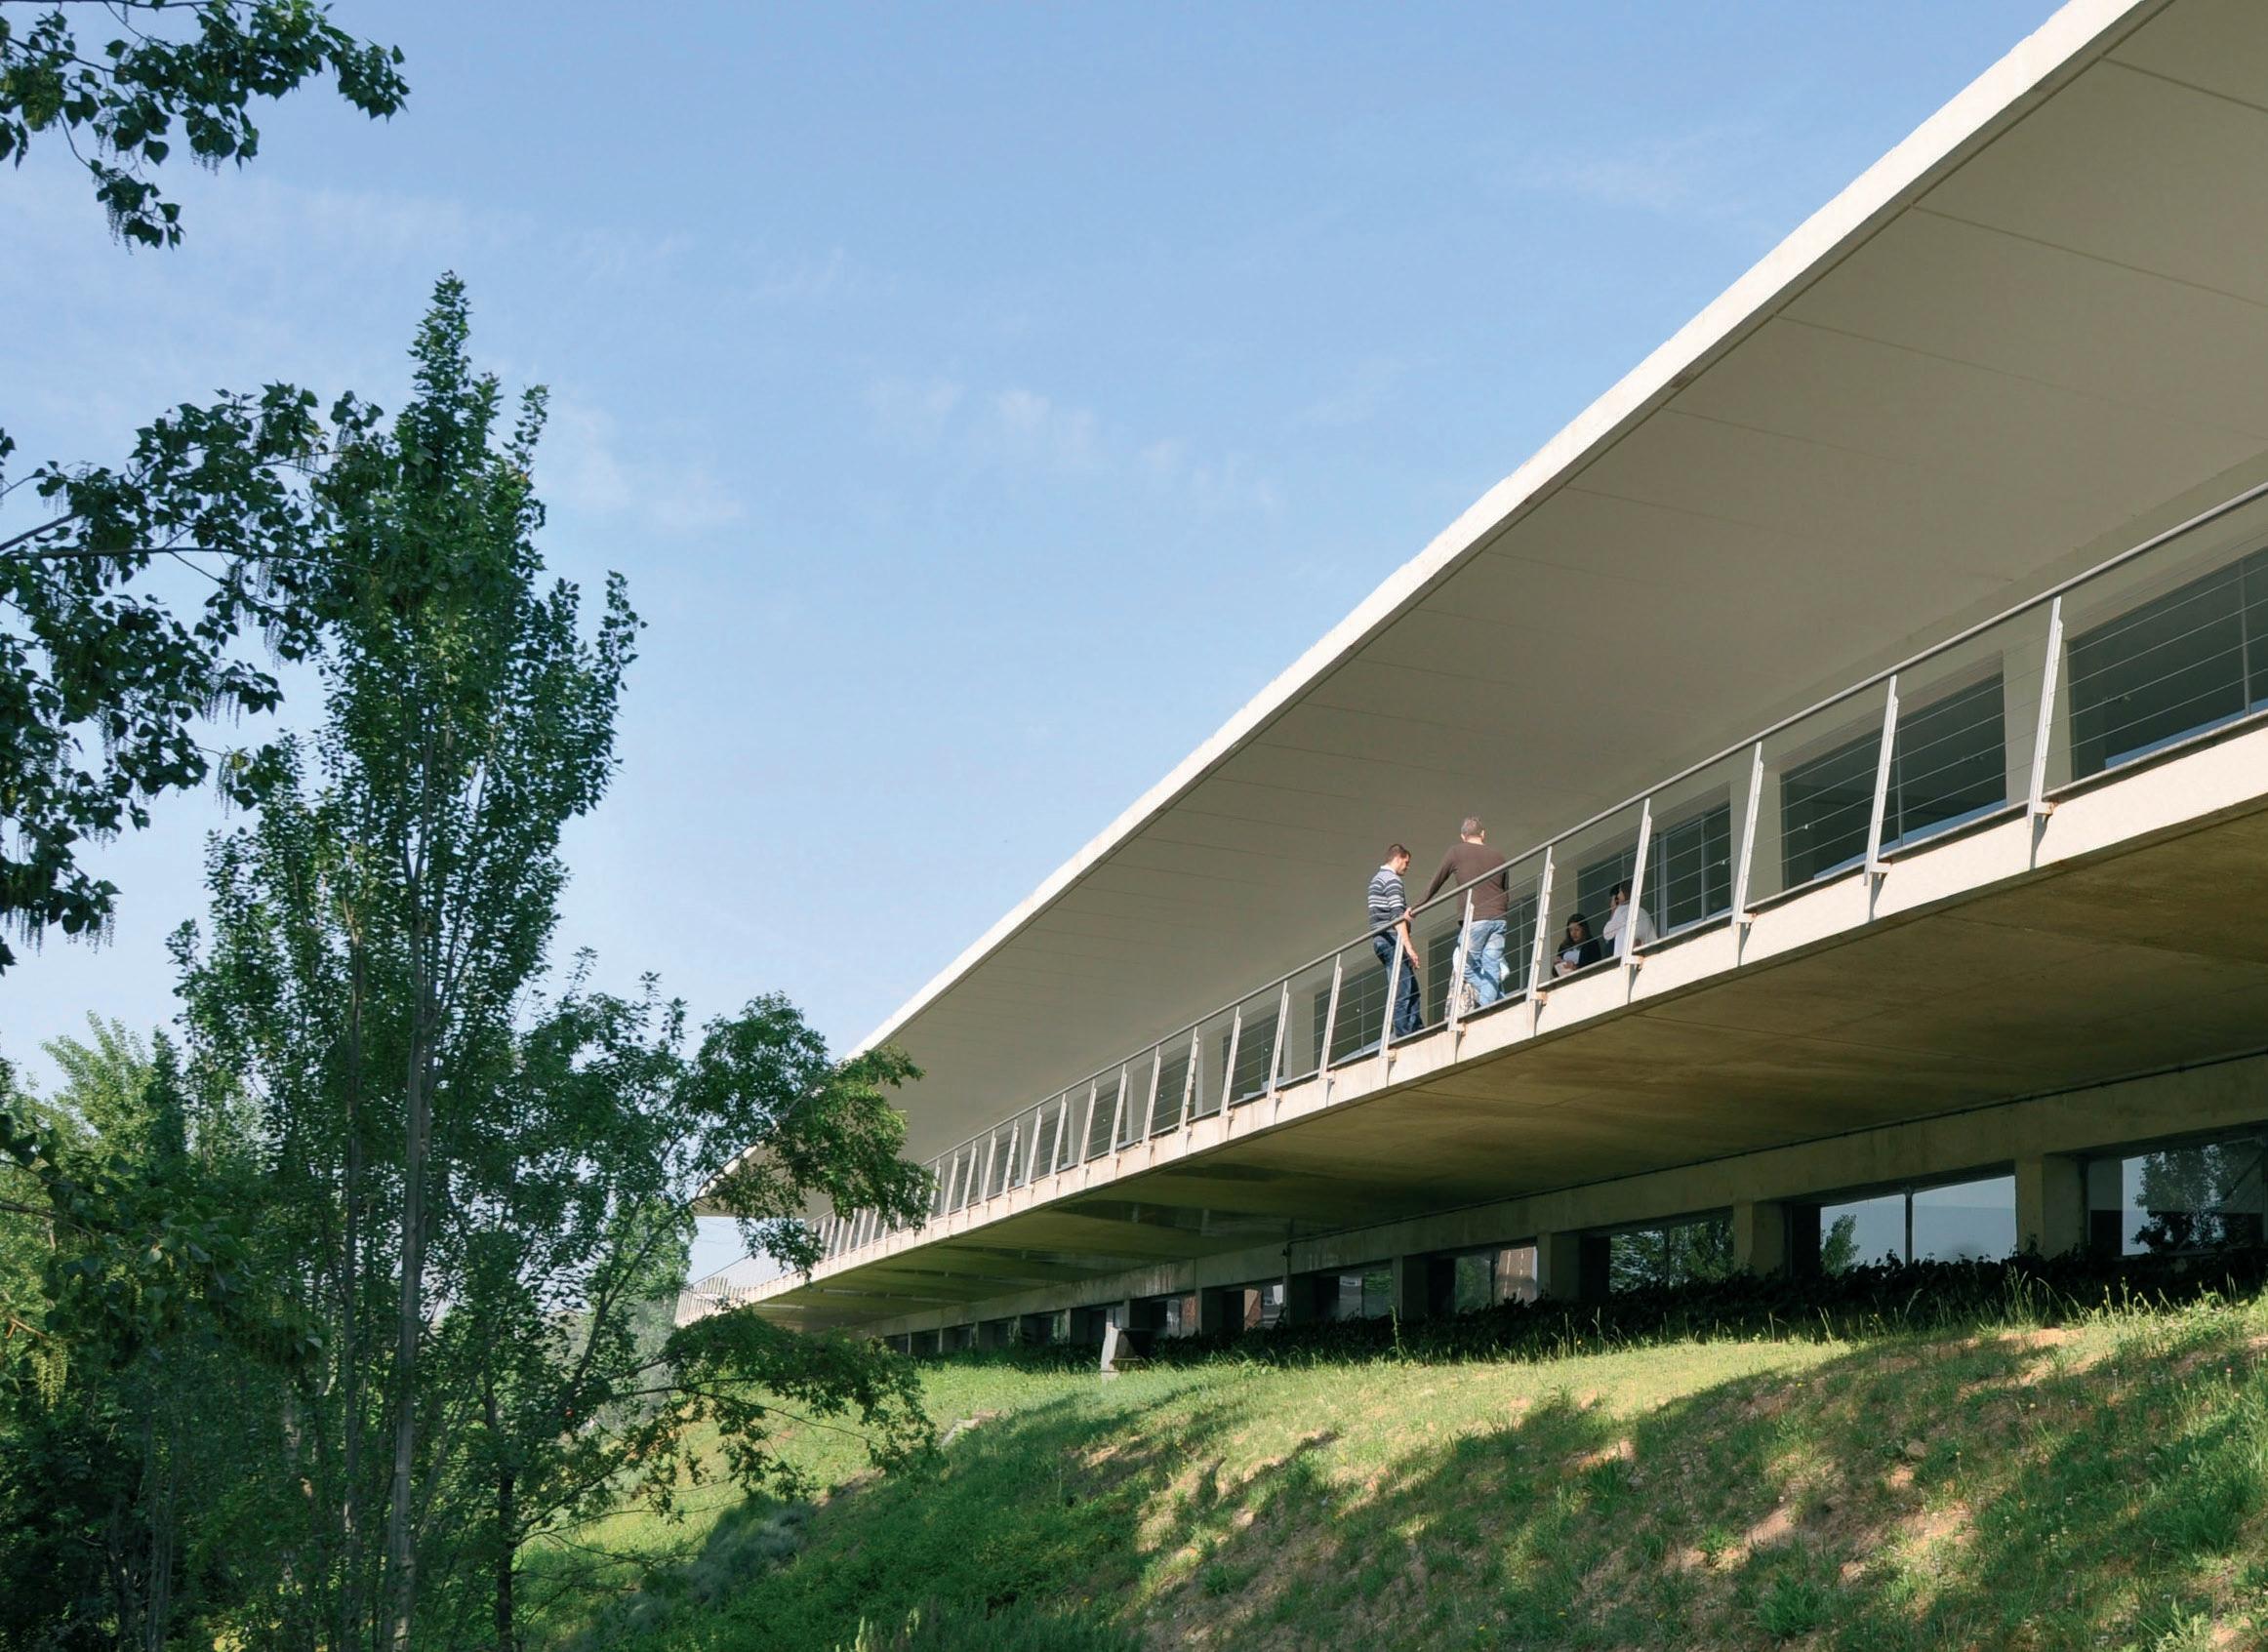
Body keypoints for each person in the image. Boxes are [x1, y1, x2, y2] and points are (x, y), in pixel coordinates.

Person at [1422, 815, 1512, 1009]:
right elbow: (1505, 889)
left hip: (1476, 918)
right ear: (1483, 834)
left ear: (1463, 836)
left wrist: (1417, 906)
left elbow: (1436, 881)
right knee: (1491, 967)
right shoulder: (1499, 856)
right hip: (1499, 917)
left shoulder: (1456, 852)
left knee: (1464, 966)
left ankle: (1495, 1002)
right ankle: (1492, 1005)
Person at [1365, 844, 1423, 1039]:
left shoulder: (1376, 879)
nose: (1407, 867)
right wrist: (1409, 947)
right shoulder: (1392, 880)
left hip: (1381, 940)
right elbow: (1396, 917)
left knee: (1409, 988)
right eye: (1406, 862)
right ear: (1398, 858)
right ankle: (1405, 1034)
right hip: (1392, 940)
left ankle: (1415, 1029)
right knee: (1403, 989)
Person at [1602, 878, 1657, 955]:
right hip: (1643, 957)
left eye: (1620, 892)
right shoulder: (1645, 913)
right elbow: (1653, 940)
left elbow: (1607, 934)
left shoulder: (1622, 911)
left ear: (1625, 894)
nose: (1618, 895)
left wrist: (1614, 910)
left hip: (1624, 958)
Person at [1554, 911, 1602, 977]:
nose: (1573, 933)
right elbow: (1554, 973)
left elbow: (1595, 966)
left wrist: (1576, 967)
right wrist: (1556, 964)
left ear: (1584, 930)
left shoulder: (1591, 944)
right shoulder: (1564, 946)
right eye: (1571, 930)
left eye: (1577, 929)